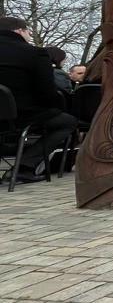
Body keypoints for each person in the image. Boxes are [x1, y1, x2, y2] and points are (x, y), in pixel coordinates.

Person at [0, 17, 78, 183]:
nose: (29, 36)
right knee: (67, 122)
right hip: (22, 115)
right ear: (20, 30)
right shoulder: (35, 53)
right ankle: (24, 167)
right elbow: (46, 92)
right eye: (28, 32)